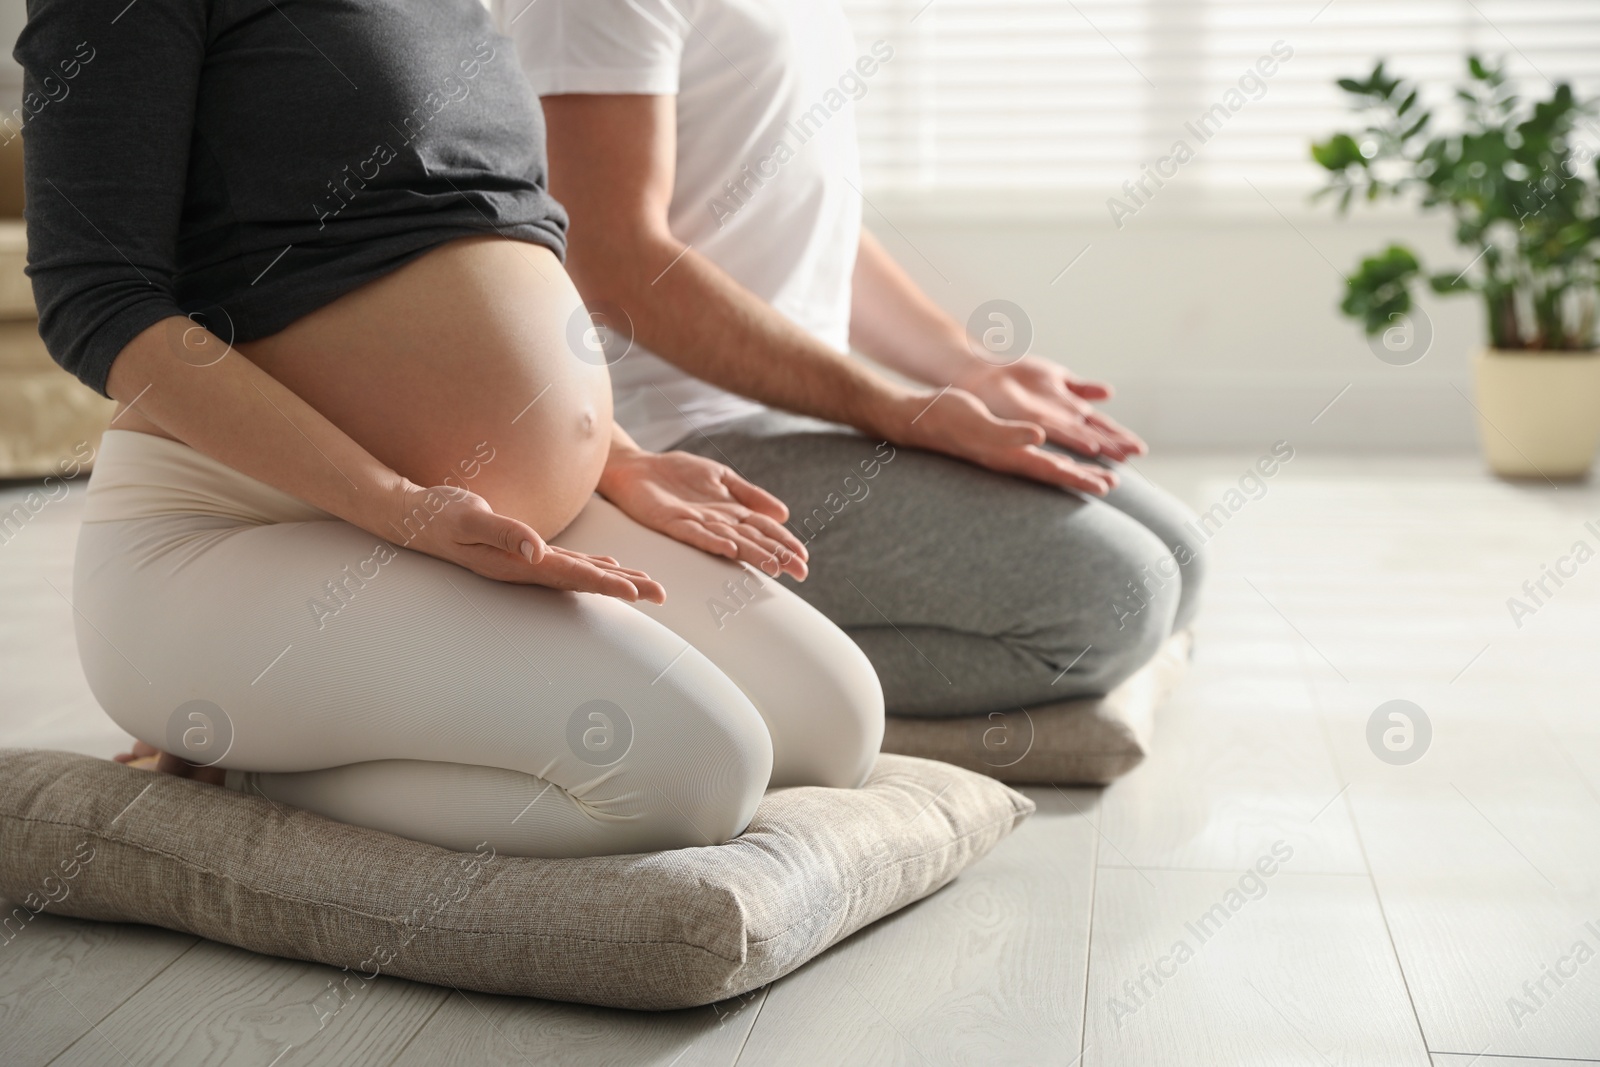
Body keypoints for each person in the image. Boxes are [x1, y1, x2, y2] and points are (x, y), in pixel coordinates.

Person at [17, 0, 882, 858]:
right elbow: (96, 300)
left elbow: (491, 239)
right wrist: (395, 504)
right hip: (231, 531)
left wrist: (612, 457)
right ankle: (243, 770)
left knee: (831, 720)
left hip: (481, 517)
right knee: (693, 773)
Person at [496, 0, 1206, 720]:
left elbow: (803, 209)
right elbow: (614, 258)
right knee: (1113, 604)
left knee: (1181, 558)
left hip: (798, 409)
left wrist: (967, 370)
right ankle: (673, 681)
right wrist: (890, 407)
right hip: (676, 441)